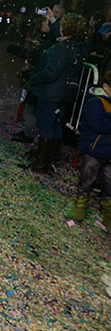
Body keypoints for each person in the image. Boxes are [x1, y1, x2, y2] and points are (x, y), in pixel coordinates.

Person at [25, 13, 89, 172]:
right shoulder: (78, 47)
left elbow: (50, 73)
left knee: (46, 126)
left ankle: (40, 164)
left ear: (65, 28)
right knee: (56, 125)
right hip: (66, 93)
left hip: (51, 93)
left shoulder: (62, 48)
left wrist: (33, 78)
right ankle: (50, 162)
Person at [67, 70, 111, 228]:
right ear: (106, 87)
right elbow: (97, 125)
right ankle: (79, 210)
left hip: (109, 155)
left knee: (109, 185)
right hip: (94, 151)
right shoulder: (96, 103)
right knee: (87, 181)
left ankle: (109, 217)